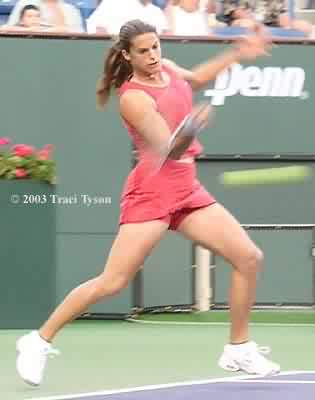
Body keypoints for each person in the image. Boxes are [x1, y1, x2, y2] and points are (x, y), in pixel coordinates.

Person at [16, 19, 280, 387]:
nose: (153, 55)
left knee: (248, 257)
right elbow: (170, 149)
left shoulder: (168, 68)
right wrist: (192, 127)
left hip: (186, 188)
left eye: (155, 46)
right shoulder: (133, 98)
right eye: (144, 51)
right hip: (152, 191)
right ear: (127, 55)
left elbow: (197, 79)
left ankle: (238, 347)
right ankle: (37, 341)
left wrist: (237, 53)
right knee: (112, 282)